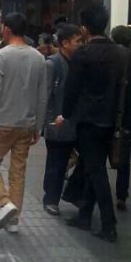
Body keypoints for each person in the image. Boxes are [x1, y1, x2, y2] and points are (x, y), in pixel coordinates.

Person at [56, 5, 129, 242]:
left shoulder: (83, 54)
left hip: (88, 119)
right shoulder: (121, 53)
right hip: (112, 120)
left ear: (85, 29)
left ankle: (109, 223)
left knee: (96, 171)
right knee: (90, 166)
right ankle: (85, 214)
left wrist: (66, 114)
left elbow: (72, 88)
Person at [0, 12, 48, 233]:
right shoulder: (38, 57)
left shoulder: (1, 56)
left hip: (2, 123)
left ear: (7, 29)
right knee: (18, 171)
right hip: (26, 124)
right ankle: (14, 220)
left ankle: (4, 202)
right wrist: (38, 126)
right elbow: (42, 96)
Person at [42, 24, 83, 215]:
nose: (81, 44)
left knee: (79, 160)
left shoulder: (79, 62)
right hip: (57, 123)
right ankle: (51, 199)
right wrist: (48, 123)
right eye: (78, 41)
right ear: (65, 43)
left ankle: (73, 194)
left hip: (76, 122)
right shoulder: (52, 64)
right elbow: (45, 96)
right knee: (56, 163)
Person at [111, 26, 131, 211]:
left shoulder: (112, 59)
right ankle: (122, 195)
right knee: (124, 159)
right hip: (129, 117)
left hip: (110, 115)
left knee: (99, 156)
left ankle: (93, 194)